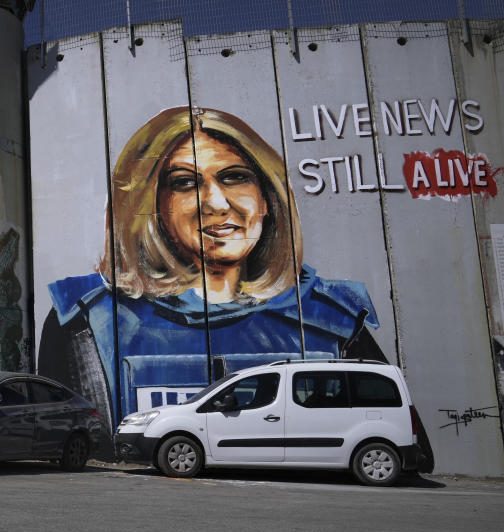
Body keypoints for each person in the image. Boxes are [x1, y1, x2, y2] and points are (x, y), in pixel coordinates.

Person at [39, 106, 384, 441]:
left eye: (235, 177)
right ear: (150, 205)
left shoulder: (333, 317)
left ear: (267, 197)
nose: (217, 204)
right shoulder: (88, 321)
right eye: (185, 183)